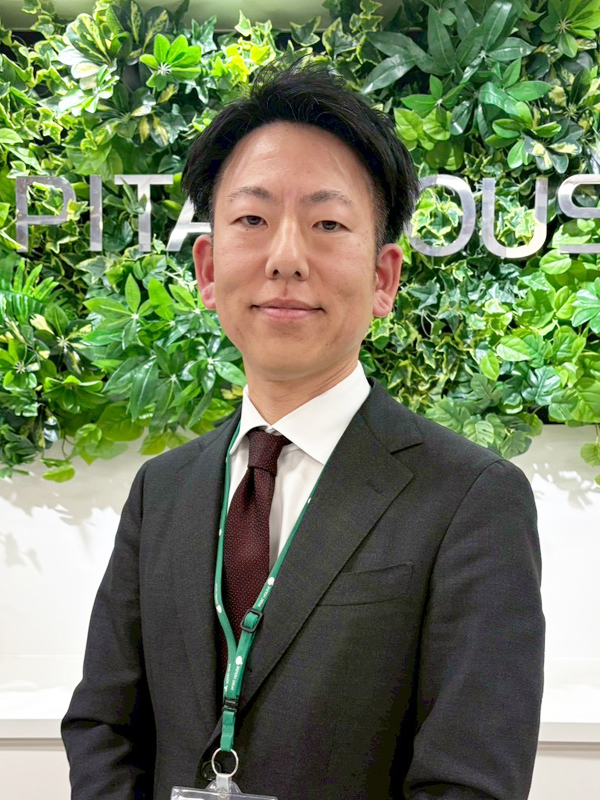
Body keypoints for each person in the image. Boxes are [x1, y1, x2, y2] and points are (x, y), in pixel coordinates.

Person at [62, 61, 545, 800]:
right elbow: (104, 726)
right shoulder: (163, 489)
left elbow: (470, 783)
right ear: (208, 269)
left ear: (384, 278)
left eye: (327, 224)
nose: (286, 257)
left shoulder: (471, 499)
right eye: (252, 221)